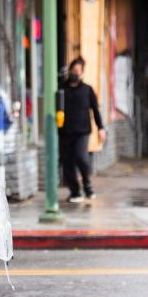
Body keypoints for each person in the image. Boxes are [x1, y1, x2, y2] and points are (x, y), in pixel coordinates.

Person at [58, 57, 106, 203]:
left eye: (78, 71)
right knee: (67, 163)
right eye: (73, 70)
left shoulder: (87, 90)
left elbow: (95, 110)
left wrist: (101, 128)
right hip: (65, 131)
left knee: (81, 158)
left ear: (82, 73)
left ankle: (87, 185)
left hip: (82, 131)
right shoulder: (61, 89)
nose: (75, 73)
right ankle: (75, 192)